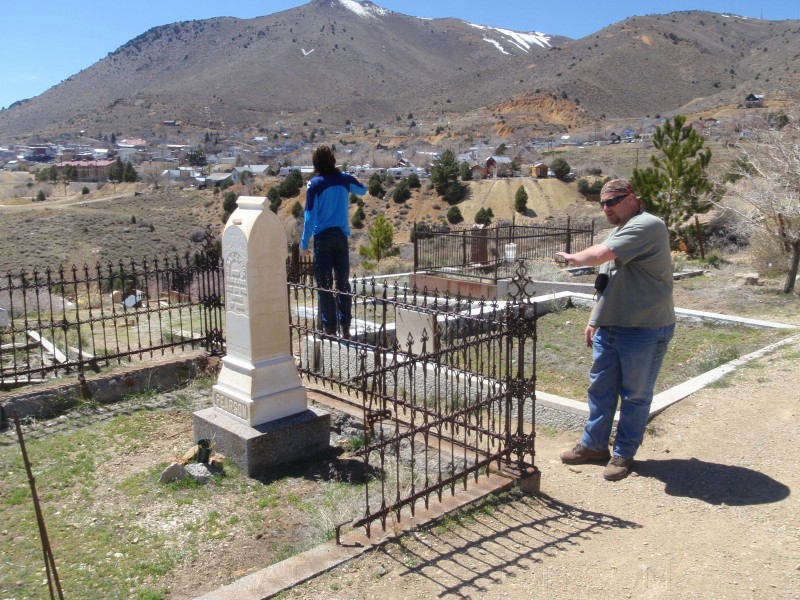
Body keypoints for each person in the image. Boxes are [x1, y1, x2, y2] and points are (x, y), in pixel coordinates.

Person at [555, 179, 675, 481]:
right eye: (603, 203)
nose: (607, 208)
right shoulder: (618, 232)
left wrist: (573, 258)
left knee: (635, 395)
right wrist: (594, 320)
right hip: (610, 326)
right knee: (601, 390)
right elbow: (605, 283)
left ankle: (623, 453)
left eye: (613, 201)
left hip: (644, 327)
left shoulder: (648, 225)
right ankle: (593, 446)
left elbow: (598, 256)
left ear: (631, 198)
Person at [300, 145, 367, 338]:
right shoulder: (344, 179)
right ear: (332, 159)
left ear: (315, 162)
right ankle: (345, 327)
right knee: (343, 283)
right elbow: (363, 190)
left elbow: (309, 217)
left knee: (324, 284)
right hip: (340, 237)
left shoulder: (315, 184)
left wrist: (304, 243)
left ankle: (329, 328)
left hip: (322, 238)